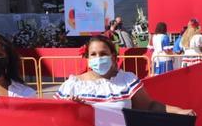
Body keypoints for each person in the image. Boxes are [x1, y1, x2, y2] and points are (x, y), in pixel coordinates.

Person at [57, 35, 194, 113]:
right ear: (87, 58)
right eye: (93, 54)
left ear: (113, 56)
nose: (98, 58)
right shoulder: (72, 86)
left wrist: (179, 111)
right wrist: (69, 108)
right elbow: (54, 117)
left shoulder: (127, 81)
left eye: (103, 53)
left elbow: (150, 106)